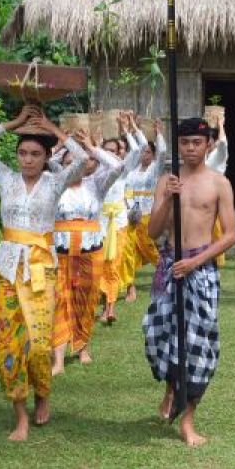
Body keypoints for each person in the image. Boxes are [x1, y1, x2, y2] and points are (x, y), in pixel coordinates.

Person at [0, 105, 86, 442]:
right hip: (6, 268)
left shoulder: (55, 182)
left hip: (40, 269)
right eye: (22, 153)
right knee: (7, 344)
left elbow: (79, 159)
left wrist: (52, 127)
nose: (27, 159)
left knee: (38, 345)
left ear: (46, 156)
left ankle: (43, 395)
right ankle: (19, 413)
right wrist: (14, 124)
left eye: (35, 153)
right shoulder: (5, 177)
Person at [143, 117, 235, 447]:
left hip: (200, 269)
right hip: (170, 266)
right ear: (178, 145)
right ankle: (171, 385)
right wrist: (168, 199)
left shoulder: (218, 183)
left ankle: (188, 418)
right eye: (184, 143)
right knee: (159, 336)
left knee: (199, 343)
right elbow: (152, 232)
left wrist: (196, 261)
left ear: (208, 144)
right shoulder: (166, 181)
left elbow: (230, 234)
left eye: (197, 142)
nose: (191, 148)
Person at [50, 131, 122, 375]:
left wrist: (92, 147)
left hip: (90, 252)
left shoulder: (96, 185)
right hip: (60, 253)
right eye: (68, 164)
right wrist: (61, 143)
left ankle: (82, 347)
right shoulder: (54, 185)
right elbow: (48, 161)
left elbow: (117, 164)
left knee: (87, 298)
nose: (73, 168)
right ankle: (58, 359)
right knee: (59, 299)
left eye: (78, 163)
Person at [98, 113, 154, 323]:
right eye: (107, 151)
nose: (111, 155)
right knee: (100, 267)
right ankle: (104, 302)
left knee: (113, 265)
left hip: (120, 224)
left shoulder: (122, 170)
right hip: (99, 226)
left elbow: (139, 149)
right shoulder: (95, 173)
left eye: (114, 151)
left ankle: (109, 308)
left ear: (120, 155)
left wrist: (131, 129)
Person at [122, 118, 168, 301]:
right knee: (128, 252)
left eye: (149, 152)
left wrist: (158, 134)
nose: (144, 155)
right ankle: (129, 287)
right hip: (130, 216)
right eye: (143, 152)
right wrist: (130, 130)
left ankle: (166, 275)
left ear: (153, 155)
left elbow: (163, 151)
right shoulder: (131, 172)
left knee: (150, 250)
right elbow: (126, 192)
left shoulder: (154, 171)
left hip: (148, 216)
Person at [205, 114, 230, 268]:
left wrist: (221, 125)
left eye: (208, 140)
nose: (206, 143)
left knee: (215, 227)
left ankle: (218, 258)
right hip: (204, 192)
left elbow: (223, 144)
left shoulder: (219, 155)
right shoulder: (205, 156)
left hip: (216, 192)